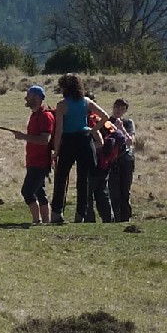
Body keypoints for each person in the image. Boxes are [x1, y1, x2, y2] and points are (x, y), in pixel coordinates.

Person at [49, 73, 112, 225]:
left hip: (69, 140)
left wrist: (56, 150)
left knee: (61, 177)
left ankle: (57, 212)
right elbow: (105, 116)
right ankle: (80, 214)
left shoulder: (62, 105)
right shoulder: (86, 101)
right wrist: (92, 130)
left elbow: (59, 130)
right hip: (84, 140)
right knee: (83, 179)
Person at [12, 85, 54, 225]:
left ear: (37, 97)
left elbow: (44, 140)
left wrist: (23, 136)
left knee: (27, 192)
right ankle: (45, 221)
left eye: (28, 96)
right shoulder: (34, 115)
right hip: (32, 161)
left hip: (40, 162)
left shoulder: (45, 116)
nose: (26, 98)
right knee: (40, 192)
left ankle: (37, 220)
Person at [107, 98, 137, 222]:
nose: (118, 110)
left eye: (122, 108)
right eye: (116, 107)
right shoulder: (106, 122)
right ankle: (115, 217)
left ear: (125, 111)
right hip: (112, 161)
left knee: (125, 190)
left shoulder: (128, 122)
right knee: (113, 191)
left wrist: (121, 129)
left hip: (126, 159)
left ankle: (126, 217)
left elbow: (130, 141)